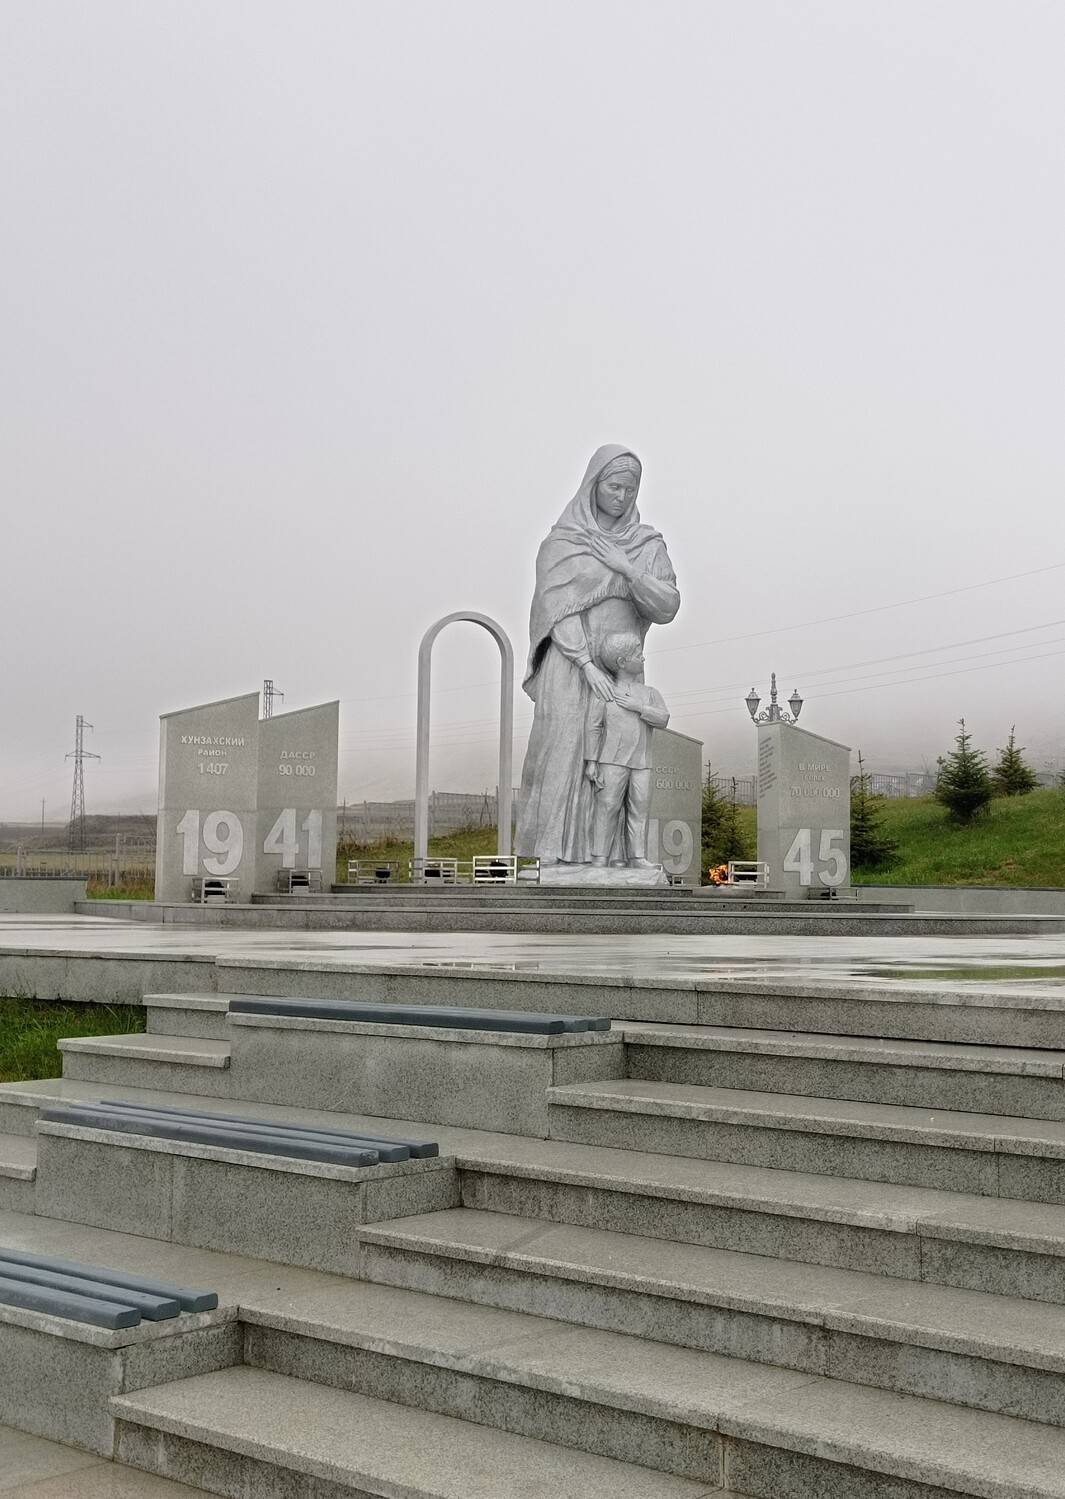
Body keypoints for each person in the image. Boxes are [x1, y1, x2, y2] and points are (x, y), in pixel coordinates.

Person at [516, 445, 680, 866]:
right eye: (614, 486)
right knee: (562, 745)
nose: (622, 496)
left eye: (630, 489)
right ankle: (551, 854)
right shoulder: (563, 543)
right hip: (569, 663)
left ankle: (609, 858)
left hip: (624, 665)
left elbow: (667, 606)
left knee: (615, 764)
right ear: (593, 485)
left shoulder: (646, 545)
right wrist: (585, 663)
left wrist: (628, 568)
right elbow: (555, 607)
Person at [584, 633, 670, 867]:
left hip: (642, 762)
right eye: (637, 654)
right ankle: (600, 857)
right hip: (611, 761)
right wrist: (591, 762)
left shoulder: (650, 693)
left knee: (639, 810)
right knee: (607, 808)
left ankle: (637, 857)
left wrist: (639, 707)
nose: (643, 658)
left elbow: (663, 718)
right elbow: (593, 727)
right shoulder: (604, 691)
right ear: (622, 662)